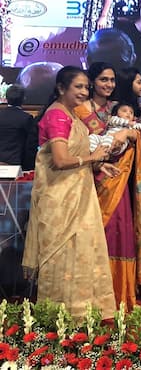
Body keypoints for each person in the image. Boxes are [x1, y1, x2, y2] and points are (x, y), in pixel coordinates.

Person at [21, 66, 116, 320]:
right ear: (61, 88)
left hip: (78, 195)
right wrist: (93, 157)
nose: (84, 92)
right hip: (60, 198)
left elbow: (75, 154)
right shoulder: (57, 116)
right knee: (62, 255)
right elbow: (61, 160)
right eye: (78, 87)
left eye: (86, 87)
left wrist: (98, 164)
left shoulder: (72, 114)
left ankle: (82, 311)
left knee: (82, 251)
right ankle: (59, 316)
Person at [75, 62, 141, 310]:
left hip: (116, 182)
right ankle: (88, 296)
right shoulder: (79, 110)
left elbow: (140, 134)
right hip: (85, 180)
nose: (108, 85)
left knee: (117, 231)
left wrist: (129, 134)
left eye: (111, 80)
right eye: (103, 80)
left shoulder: (118, 109)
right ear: (91, 82)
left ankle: (116, 294)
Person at [0, 85, 34, 169]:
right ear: (23, 99)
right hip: (17, 163)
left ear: (6, 98)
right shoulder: (26, 118)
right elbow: (31, 143)